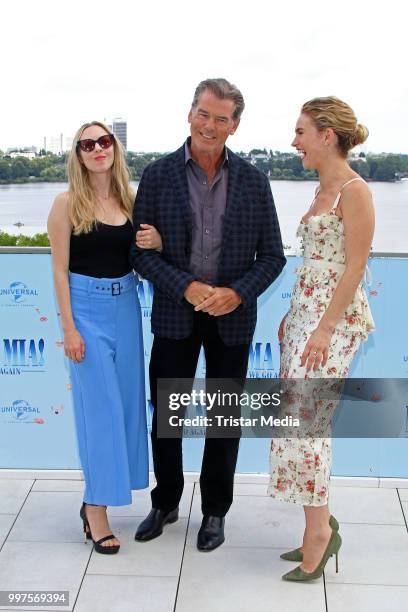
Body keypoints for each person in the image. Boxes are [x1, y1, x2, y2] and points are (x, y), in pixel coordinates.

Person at [130, 78, 286, 552]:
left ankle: (215, 512)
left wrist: (237, 294)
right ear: (190, 113)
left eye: (222, 118)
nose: (210, 125)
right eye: (204, 114)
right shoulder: (157, 176)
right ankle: (166, 501)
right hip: (176, 316)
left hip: (232, 320)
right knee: (167, 420)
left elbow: (273, 257)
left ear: (235, 126)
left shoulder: (255, 182)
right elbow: (139, 254)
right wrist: (189, 287)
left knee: (223, 421)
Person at [268, 97, 375, 581]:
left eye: (301, 132)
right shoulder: (319, 190)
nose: (295, 142)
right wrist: (292, 317)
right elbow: (312, 267)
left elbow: (354, 267)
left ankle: (319, 535)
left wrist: (324, 327)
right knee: (295, 423)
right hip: (305, 320)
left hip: (332, 324)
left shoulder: (356, 191)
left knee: (309, 426)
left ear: (326, 135)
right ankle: (318, 524)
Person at [47, 121, 161, 554]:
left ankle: (96, 497)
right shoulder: (66, 204)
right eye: (88, 144)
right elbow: (59, 269)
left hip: (126, 308)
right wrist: (69, 328)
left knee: (129, 409)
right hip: (86, 310)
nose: (98, 149)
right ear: (77, 154)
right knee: (101, 413)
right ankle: (96, 511)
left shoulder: (131, 203)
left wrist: (159, 240)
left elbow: (144, 254)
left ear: (115, 149)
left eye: (105, 141)